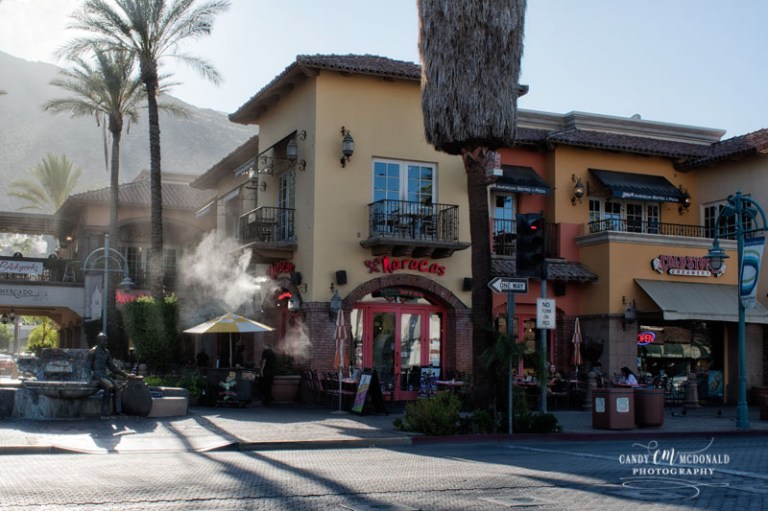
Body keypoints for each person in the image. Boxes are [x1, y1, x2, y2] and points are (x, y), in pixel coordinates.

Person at [86, 332, 129, 416]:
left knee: (117, 387)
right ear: (99, 341)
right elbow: (87, 367)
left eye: (106, 341)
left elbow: (112, 366)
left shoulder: (106, 352)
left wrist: (123, 373)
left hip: (104, 374)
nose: (106, 343)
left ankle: (118, 411)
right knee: (109, 386)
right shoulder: (92, 352)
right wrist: (89, 379)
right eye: (104, 341)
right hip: (96, 374)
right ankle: (105, 411)